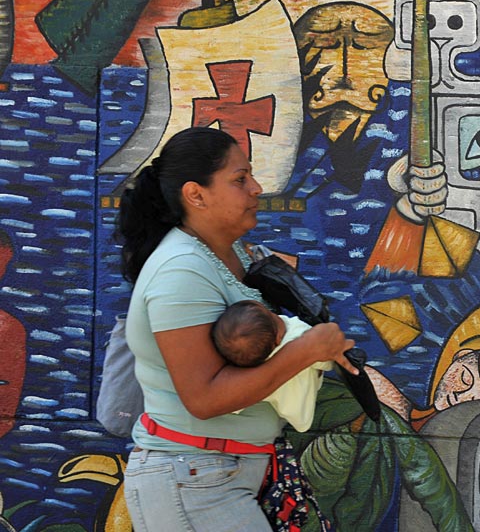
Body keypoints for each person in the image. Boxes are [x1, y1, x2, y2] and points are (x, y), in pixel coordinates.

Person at [117, 126, 358, 531]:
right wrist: (306, 350)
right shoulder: (182, 270)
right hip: (195, 479)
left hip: (219, 472)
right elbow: (204, 398)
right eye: (240, 179)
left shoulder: (231, 256)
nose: (256, 188)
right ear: (196, 195)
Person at [212, 300, 334, 432]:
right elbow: (326, 361)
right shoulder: (298, 334)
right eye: (273, 316)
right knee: (299, 408)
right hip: (297, 393)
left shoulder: (246, 364)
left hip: (268, 392)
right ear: (278, 338)